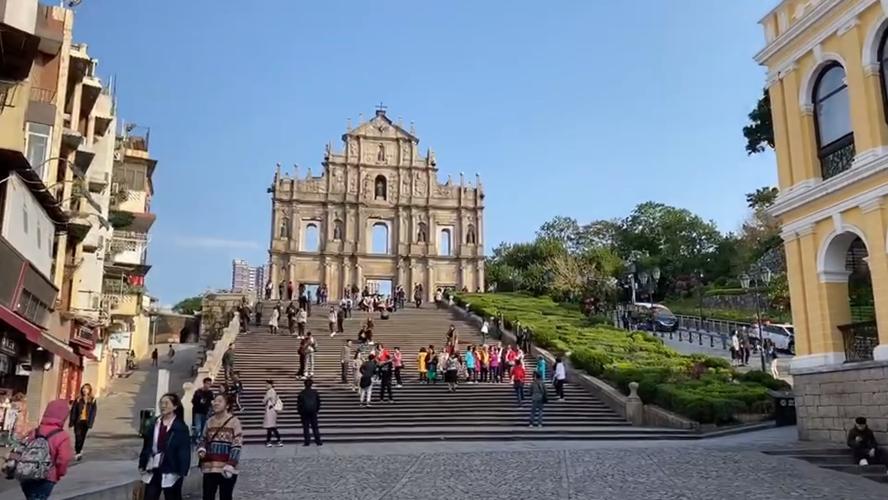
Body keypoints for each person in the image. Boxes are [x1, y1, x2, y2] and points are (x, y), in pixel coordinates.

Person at [10, 399, 72, 500]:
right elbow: (63, 459)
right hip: (47, 477)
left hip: (27, 475)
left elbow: (21, 449)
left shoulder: (35, 431)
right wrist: (59, 474)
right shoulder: (62, 436)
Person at [139, 393, 190, 500]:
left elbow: (184, 450)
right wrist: (142, 463)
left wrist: (183, 469)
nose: (163, 406)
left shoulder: (180, 427)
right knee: (150, 495)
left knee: (172, 496)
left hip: (171, 467)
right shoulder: (154, 423)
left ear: (175, 406)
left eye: (166, 403)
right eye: (161, 403)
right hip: (153, 467)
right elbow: (147, 445)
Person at [197, 394, 242, 500]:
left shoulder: (234, 421)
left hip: (227, 467)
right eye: (215, 401)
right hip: (210, 466)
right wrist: (201, 449)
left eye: (220, 401)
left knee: (225, 496)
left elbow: (237, 444)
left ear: (227, 405)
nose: (216, 403)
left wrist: (231, 463)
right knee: (207, 496)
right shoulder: (209, 421)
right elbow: (203, 439)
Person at [68, 384, 97, 461]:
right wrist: (71, 422)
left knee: (82, 437)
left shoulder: (92, 400)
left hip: (86, 421)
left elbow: (93, 413)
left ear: (89, 390)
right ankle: (77, 451)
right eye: (84, 388)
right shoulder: (78, 399)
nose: (85, 390)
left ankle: (79, 450)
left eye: (86, 389)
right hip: (78, 421)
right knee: (77, 436)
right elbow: (73, 411)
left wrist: (91, 422)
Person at [297, 379, 322, 447]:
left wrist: (300, 412)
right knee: (315, 427)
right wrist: (316, 410)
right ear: (311, 384)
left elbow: (299, 404)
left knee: (306, 427)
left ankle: (307, 441)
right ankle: (318, 441)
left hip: (304, 412)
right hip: (313, 412)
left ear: (304, 384)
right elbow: (319, 402)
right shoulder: (315, 392)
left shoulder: (302, 393)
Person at [191, 378, 214, 444]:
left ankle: (201, 440)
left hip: (206, 412)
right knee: (198, 428)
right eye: (207, 383)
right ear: (204, 383)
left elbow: (211, 402)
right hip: (198, 412)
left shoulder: (210, 393)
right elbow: (193, 401)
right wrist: (199, 402)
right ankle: (194, 438)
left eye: (209, 384)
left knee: (203, 428)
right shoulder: (198, 392)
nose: (208, 385)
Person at [263, 380, 283, 447]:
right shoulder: (274, 391)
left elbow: (264, 401)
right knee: (272, 427)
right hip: (272, 411)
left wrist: (265, 400)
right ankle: (276, 441)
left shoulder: (270, 392)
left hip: (270, 410)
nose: (266, 386)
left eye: (267, 384)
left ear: (271, 385)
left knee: (270, 427)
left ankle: (271, 441)